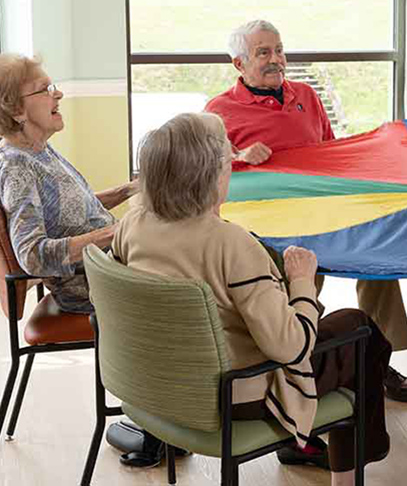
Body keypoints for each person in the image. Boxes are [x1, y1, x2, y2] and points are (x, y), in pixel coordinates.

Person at [111, 113, 391, 485]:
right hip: (230, 394)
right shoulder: (230, 244)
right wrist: (302, 282)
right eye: (228, 163)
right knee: (361, 330)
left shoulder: (133, 225)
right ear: (211, 177)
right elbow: (292, 348)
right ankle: (347, 470)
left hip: (154, 385)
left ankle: (318, 448)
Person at [204, 20, 407, 417]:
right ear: (238, 62)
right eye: (263, 53)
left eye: (279, 50)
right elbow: (201, 169)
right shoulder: (219, 111)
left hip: (324, 211)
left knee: (378, 262)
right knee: (298, 278)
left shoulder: (305, 94)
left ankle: (380, 359)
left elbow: (330, 152)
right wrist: (238, 157)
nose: (276, 60)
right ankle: (299, 364)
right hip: (270, 226)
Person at [0, 54, 137, 314]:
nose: (59, 94)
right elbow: (32, 255)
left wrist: (131, 188)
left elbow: (71, 210)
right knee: (196, 266)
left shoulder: (38, 150)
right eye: (45, 89)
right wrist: (117, 232)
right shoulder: (17, 168)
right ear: (16, 110)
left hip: (108, 268)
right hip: (92, 287)